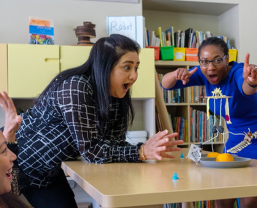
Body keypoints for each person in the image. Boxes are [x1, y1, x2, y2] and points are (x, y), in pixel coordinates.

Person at [0, 34, 184, 208]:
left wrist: (149, 151)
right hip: (20, 161)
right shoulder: (77, 87)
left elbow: (114, 143)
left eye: (136, 68)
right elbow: (91, 151)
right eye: (127, 67)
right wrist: (142, 151)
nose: (134, 76)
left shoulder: (114, 95)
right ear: (104, 66)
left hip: (49, 171)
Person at [161, 37, 257, 208]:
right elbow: (166, 85)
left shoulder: (237, 71)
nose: (210, 67)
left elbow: (246, 88)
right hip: (237, 139)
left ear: (227, 59)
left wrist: (252, 82)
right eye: (204, 61)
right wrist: (175, 74)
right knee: (223, 197)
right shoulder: (202, 73)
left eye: (217, 60)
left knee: (248, 200)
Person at [0, 92, 28, 208]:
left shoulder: (5, 197)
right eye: (3, 150)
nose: (14, 156)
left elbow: (13, 189)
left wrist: (10, 132)